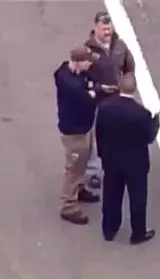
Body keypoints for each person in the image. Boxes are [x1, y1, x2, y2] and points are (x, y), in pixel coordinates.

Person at [95, 75, 160, 245]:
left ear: (118, 87)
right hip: (136, 163)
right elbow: (149, 137)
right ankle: (138, 233)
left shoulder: (105, 108)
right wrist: (156, 120)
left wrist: (102, 154)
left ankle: (109, 229)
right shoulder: (140, 113)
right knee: (137, 197)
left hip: (112, 159)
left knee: (111, 195)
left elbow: (99, 133)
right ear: (135, 89)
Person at [83, 10, 136, 190]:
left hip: (116, 98)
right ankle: (93, 172)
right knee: (96, 137)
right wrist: (98, 88)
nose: (107, 32)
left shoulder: (120, 45)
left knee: (117, 135)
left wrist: (127, 83)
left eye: (109, 28)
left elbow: (130, 66)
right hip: (96, 101)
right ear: (95, 28)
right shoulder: (88, 50)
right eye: (104, 29)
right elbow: (83, 76)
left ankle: (116, 166)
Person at [54, 46, 101, 225]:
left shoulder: (78, 74)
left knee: (84, 159)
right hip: (74, 131)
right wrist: (92, 91)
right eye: (88, 62)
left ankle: (79, 189)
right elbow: (88, 99)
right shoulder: (68, 81)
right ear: (78, 61)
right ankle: (68, 205)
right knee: (73, 167)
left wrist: (92, 89)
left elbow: (93, 84)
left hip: (85, 127)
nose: (90, 65)